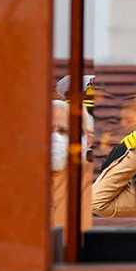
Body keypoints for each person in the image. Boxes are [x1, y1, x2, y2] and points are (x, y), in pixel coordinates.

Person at [50, 100, 95, 234]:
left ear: (86, 140)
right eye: (47, 130)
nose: (54, 138)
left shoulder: (91, 182)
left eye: (63, 131)